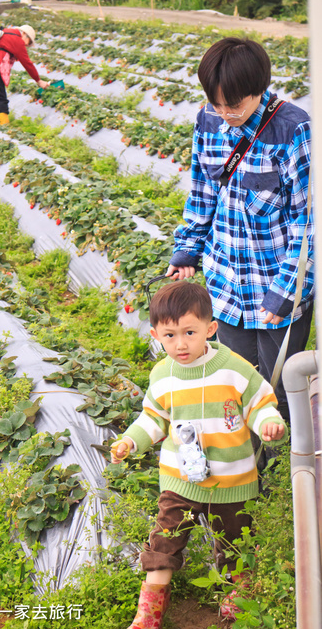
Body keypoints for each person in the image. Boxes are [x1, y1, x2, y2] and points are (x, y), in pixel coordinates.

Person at [110, 281, 287, 628]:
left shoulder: (232, 368)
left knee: (236, 544)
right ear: (156, 335)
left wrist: (268, 422)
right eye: (169, 336)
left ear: (211, 328)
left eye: (190, 332)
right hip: (179, 480)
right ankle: (149, 612)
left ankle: (240, 597)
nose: (180, 344)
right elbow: (154, 418)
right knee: (164, 540)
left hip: (231, 480)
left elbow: (259, 402)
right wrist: (131, 441)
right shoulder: (162, 375)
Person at [166, 37, 313, 424]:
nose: (224, 112)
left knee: (276, 384)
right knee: (234, 378)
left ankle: (283, 458)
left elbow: (309, 223)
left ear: (258, 89)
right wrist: (187, 250)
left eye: (234, 104)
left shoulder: (293, 130)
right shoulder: (208, 120)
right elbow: (203, 191)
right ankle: (244, 460)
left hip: (275, 286)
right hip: (226, 282)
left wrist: (285, 292)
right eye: (216, 103)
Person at [0, 24, 49, 124]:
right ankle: (4, 128)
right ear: (24, 34)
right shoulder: (17, 39)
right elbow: (26, 62)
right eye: (28, 43)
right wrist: (38, 80)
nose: (26, 46)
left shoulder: (3, 32)